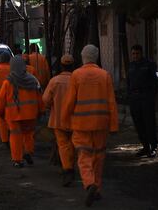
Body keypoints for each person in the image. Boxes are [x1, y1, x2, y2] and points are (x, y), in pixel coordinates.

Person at [62, 45, 118, 207]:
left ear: (83, 57)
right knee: (99, 157)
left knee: (84, 156)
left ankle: (89, 183)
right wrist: (113, 126)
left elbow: (69, 101)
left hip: (81, 124)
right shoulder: (104, 75)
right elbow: (111, 103)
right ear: (97, 57)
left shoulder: (77, 75)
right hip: (101, 125)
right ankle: (97, 189)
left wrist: (65, 121)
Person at [0, 56, 44, 167]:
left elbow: (1, 100)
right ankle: (28, 152)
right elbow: (39, 97)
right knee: (28, 134)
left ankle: (17, 160)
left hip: (13, 115)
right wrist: (41, 110)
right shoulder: (33, 80)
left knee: (15, 136)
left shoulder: (8, 82)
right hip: (31, 114)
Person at [43, 54, 75, 186]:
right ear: (73, 66)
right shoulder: (76, 80)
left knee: (63, 145)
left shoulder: (55, 81)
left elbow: (45, 100)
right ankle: (72, 165)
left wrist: (50, 106)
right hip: (75, 119)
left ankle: (67, 169)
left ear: (61, 66)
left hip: (58, 119)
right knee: (73, 143)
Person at [127, 44, 158, 157]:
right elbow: (128, 82)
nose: (135, 56)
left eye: (137, 53)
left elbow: (157, 81)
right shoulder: (131, 66)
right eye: (133, 54)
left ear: (141, 53)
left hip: (146, 98)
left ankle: (153, 147)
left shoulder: (150, 64)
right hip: (135, 99)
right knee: (138, 124)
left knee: (149, 123)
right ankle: (145, 147)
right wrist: (130, 96)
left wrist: (151, 96)